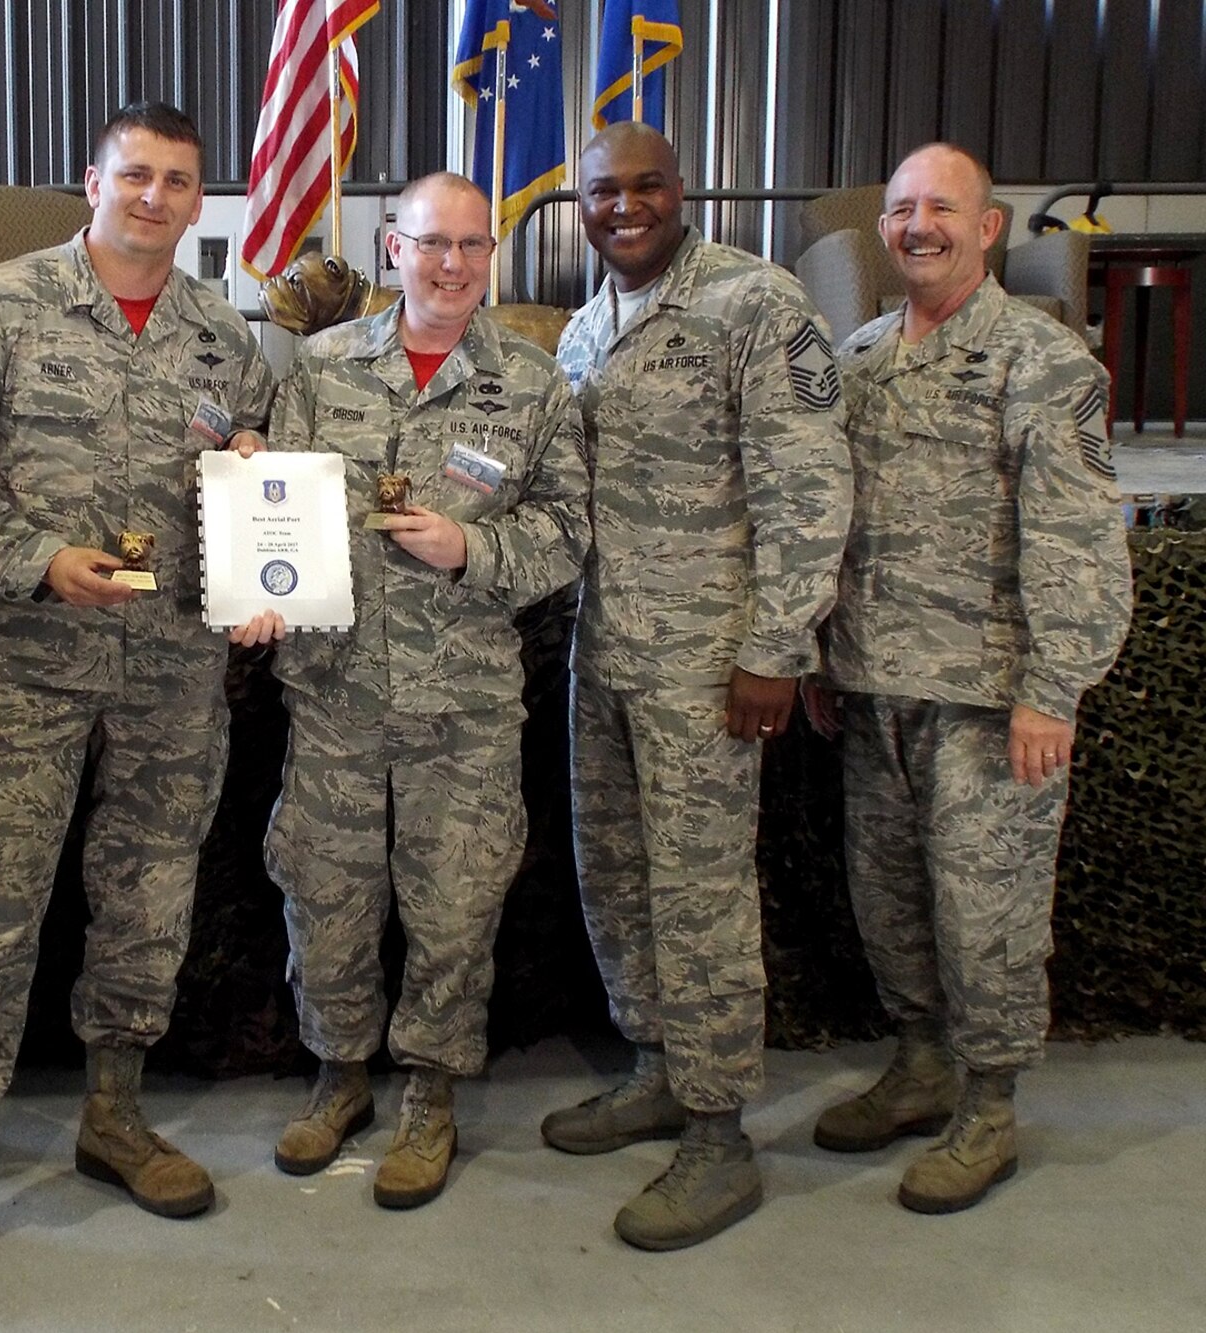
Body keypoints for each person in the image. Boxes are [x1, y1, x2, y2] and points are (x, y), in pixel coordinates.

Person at [0, 101, 276, 1312]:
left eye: (178, 180)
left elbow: (243, 476)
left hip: (168, 671)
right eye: (132, 174)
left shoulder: (220, 337)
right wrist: (38, 557)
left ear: (201, 201)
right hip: (20, 659)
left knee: (147, 894)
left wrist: (260, 547)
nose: (153, 196)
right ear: (88, 181)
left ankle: (112, 1115)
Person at [804, 143, 1132, 1214]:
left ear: (986, 229)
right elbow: (826, 523)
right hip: (873, 685)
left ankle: (985, 1103)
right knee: (888, 900)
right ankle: (919, 1062)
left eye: (940, 209)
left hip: (989, 700)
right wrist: (817, 653)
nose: (916, 228)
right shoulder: (856, 357)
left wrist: (1053, 687)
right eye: (900, 211)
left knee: (984, 911)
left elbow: (1078, 540)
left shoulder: (1041, 365)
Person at [547, 122, 851, 1250]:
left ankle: (719, 1129)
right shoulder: (586, 327)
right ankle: (656, 1067)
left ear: (681, 192)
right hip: (606, 651)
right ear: (574, 205)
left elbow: (808, 483)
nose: (623, 207)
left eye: (645, 187)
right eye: (600, 192)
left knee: (700, 892)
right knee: (616, 874)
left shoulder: (753, 305)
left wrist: (775, 647)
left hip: (708, 663)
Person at [261, 172, 590, 1207]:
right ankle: (339, 1071)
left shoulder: (532, 384)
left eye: (471, 247)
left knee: (453, 903)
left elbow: (569, 533)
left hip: (464, 698)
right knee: (325, 892)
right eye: (430, 244)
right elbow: (271, 501)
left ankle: (431, 1090)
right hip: (333, 686)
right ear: (390, 249)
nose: (452, 266)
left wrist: (472, 548)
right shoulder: (316, 370)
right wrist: (251, 582)